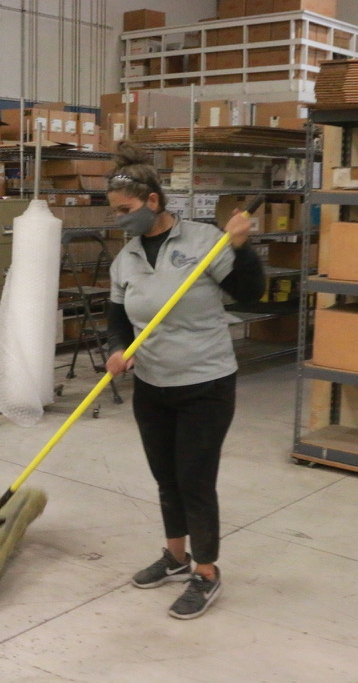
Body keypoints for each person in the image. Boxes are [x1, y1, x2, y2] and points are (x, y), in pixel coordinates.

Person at [104, 141, 265, 620]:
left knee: (195, 479)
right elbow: (117, 317)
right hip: (151, 385)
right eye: (115, 212)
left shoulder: (203, 241)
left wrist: (240, 247)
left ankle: (207, 571)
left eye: (125, 210)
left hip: (205, 384)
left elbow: (250, 292)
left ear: (152, 201)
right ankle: (176, 556)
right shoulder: (126, 259)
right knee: (166, 477)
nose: (119, 219)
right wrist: (117, 349)